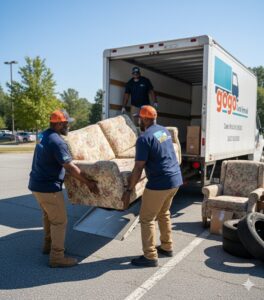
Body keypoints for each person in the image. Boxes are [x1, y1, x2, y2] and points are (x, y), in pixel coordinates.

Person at [28, 109, 99, 268]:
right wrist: (88, 183)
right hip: (48, 188)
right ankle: (57, 256)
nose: (68, 126)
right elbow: (70, 167)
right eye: (66, 123)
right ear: (59, 123)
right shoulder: (57, 142)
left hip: (36, 185)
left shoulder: (43, 136)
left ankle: (48, 246)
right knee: (60, 221)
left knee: (48, 216)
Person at [121, 105, 182, 267]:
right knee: (164, 213)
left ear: (146, 119)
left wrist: (129, 189)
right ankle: (167, 246)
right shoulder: (163, 131)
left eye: (139, 118)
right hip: (175, 179)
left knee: (147, 219)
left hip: (159, 183)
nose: (138, 121)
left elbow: (139, 167)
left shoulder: (143, 138)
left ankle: (150, 256)